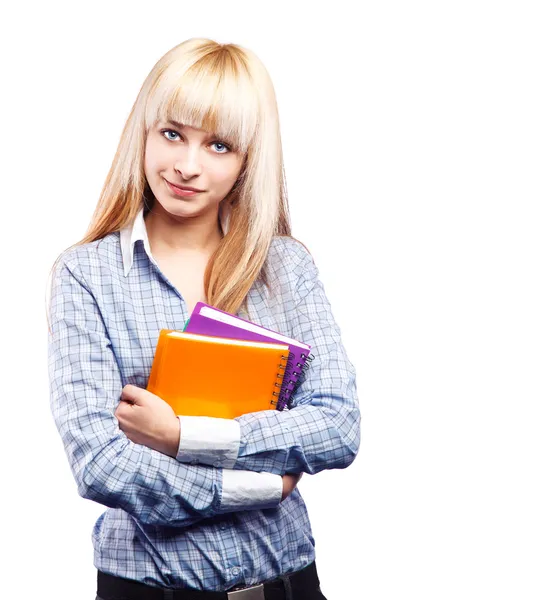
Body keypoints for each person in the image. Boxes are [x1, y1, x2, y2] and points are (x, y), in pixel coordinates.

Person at [47, 37, 360, 600]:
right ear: (143, 131)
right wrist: (261, 486)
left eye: (218, 145)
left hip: (287, 585)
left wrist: (181, 436)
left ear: (247, 161)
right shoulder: (86, 275)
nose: (187, 166)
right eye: (172, 134)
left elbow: (337, 425)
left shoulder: (285, 268)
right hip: (148, 589)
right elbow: (101, 462)